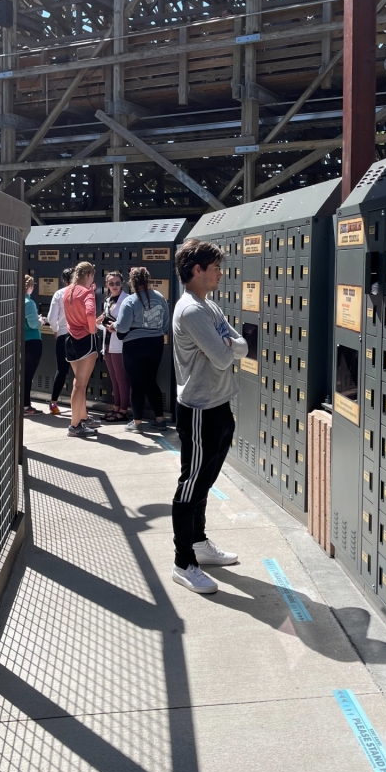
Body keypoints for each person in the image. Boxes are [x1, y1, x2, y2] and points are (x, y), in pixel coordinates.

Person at [170, 239, 248, 595]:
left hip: (220, 405)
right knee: (191, 484)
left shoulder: (210, 306)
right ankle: (184, 562)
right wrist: (229, 347)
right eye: (214, 266)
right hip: (199, 410)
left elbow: (241, 345)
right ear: (196, 270)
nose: (220, 271)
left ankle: (199, 543)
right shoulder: (191, 311)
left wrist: (228, 346)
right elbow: (223, 357)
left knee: (204, 483)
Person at [114, 267, 170, 433]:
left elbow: (123, 327)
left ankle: (137, 422)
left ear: (131, 283)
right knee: (151, 381)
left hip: (134, 345)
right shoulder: (160, 298)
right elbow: (165, 323)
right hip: (156, 344)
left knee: (136, 383)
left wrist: (113, 326)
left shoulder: (130, 301)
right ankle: (160, 419)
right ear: (148, 280)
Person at [62, 262, 100, 438]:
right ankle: (75, 425)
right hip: (85, 340)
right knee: (80, 384)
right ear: (89, 275)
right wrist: (92, 329)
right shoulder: (87, 293)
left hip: (70, 340)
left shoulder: (67, 291)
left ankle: (82, 417)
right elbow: (90, 313)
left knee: (78, 382)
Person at [98, 271, 131, 422]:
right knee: (113, 378)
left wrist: (115, 327)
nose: (114, 286)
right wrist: (99, 324)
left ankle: (123, 410)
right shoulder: (107, 300)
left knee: (121, 378)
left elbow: (128, 324)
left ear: (122, 284)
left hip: (119, 344)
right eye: (111, 284)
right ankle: (116, 407)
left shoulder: (127, 300)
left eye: (117, 283)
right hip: (108, 343)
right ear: (107, 285)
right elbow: (104, 324)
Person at [46, 267, 73, 415]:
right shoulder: (82, 292)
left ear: (63, 280)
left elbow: (51, 317)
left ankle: (53, 403)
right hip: (79, 336)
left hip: (63, 335)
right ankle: (80, 407)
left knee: (61, 370)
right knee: (79, 373)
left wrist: (56, 330)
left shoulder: (59, 293)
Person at [23, 275, 43, 417]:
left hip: (21, 341)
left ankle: (22, 404)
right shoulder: (28, 303)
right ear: (29, 287)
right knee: (28, 375)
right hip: (32, 341)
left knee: (23, 374)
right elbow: (33, 324)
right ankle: (26, 405)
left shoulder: (15, 301)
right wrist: (40, 320)